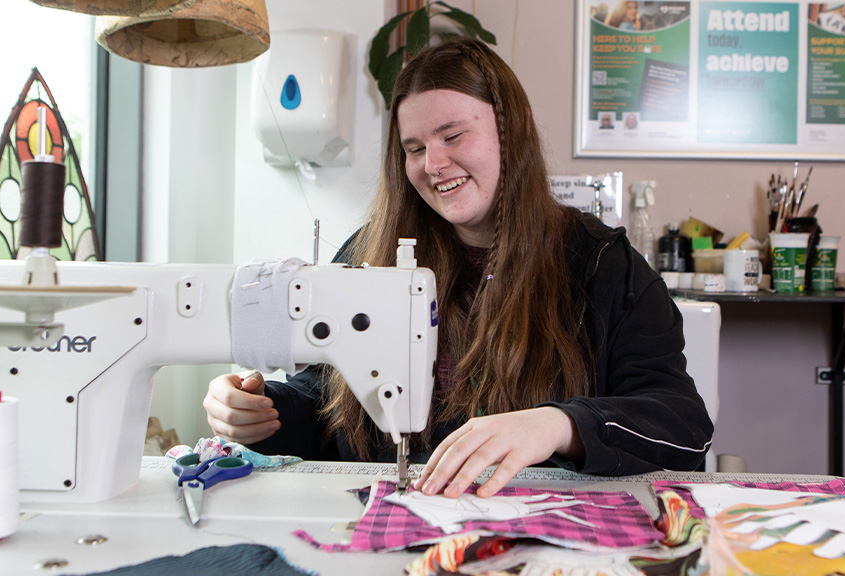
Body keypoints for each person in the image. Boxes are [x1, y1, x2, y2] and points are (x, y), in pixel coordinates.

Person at [203, 37, 713, 499]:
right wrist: (261, 411)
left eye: (452, 136)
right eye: (415, 148)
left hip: (538, 538)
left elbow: (684, 426)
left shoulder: (603, 265)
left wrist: (558, 426)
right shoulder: (369, 255)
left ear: (511, 132)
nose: (433, 164)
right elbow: (323, 400)